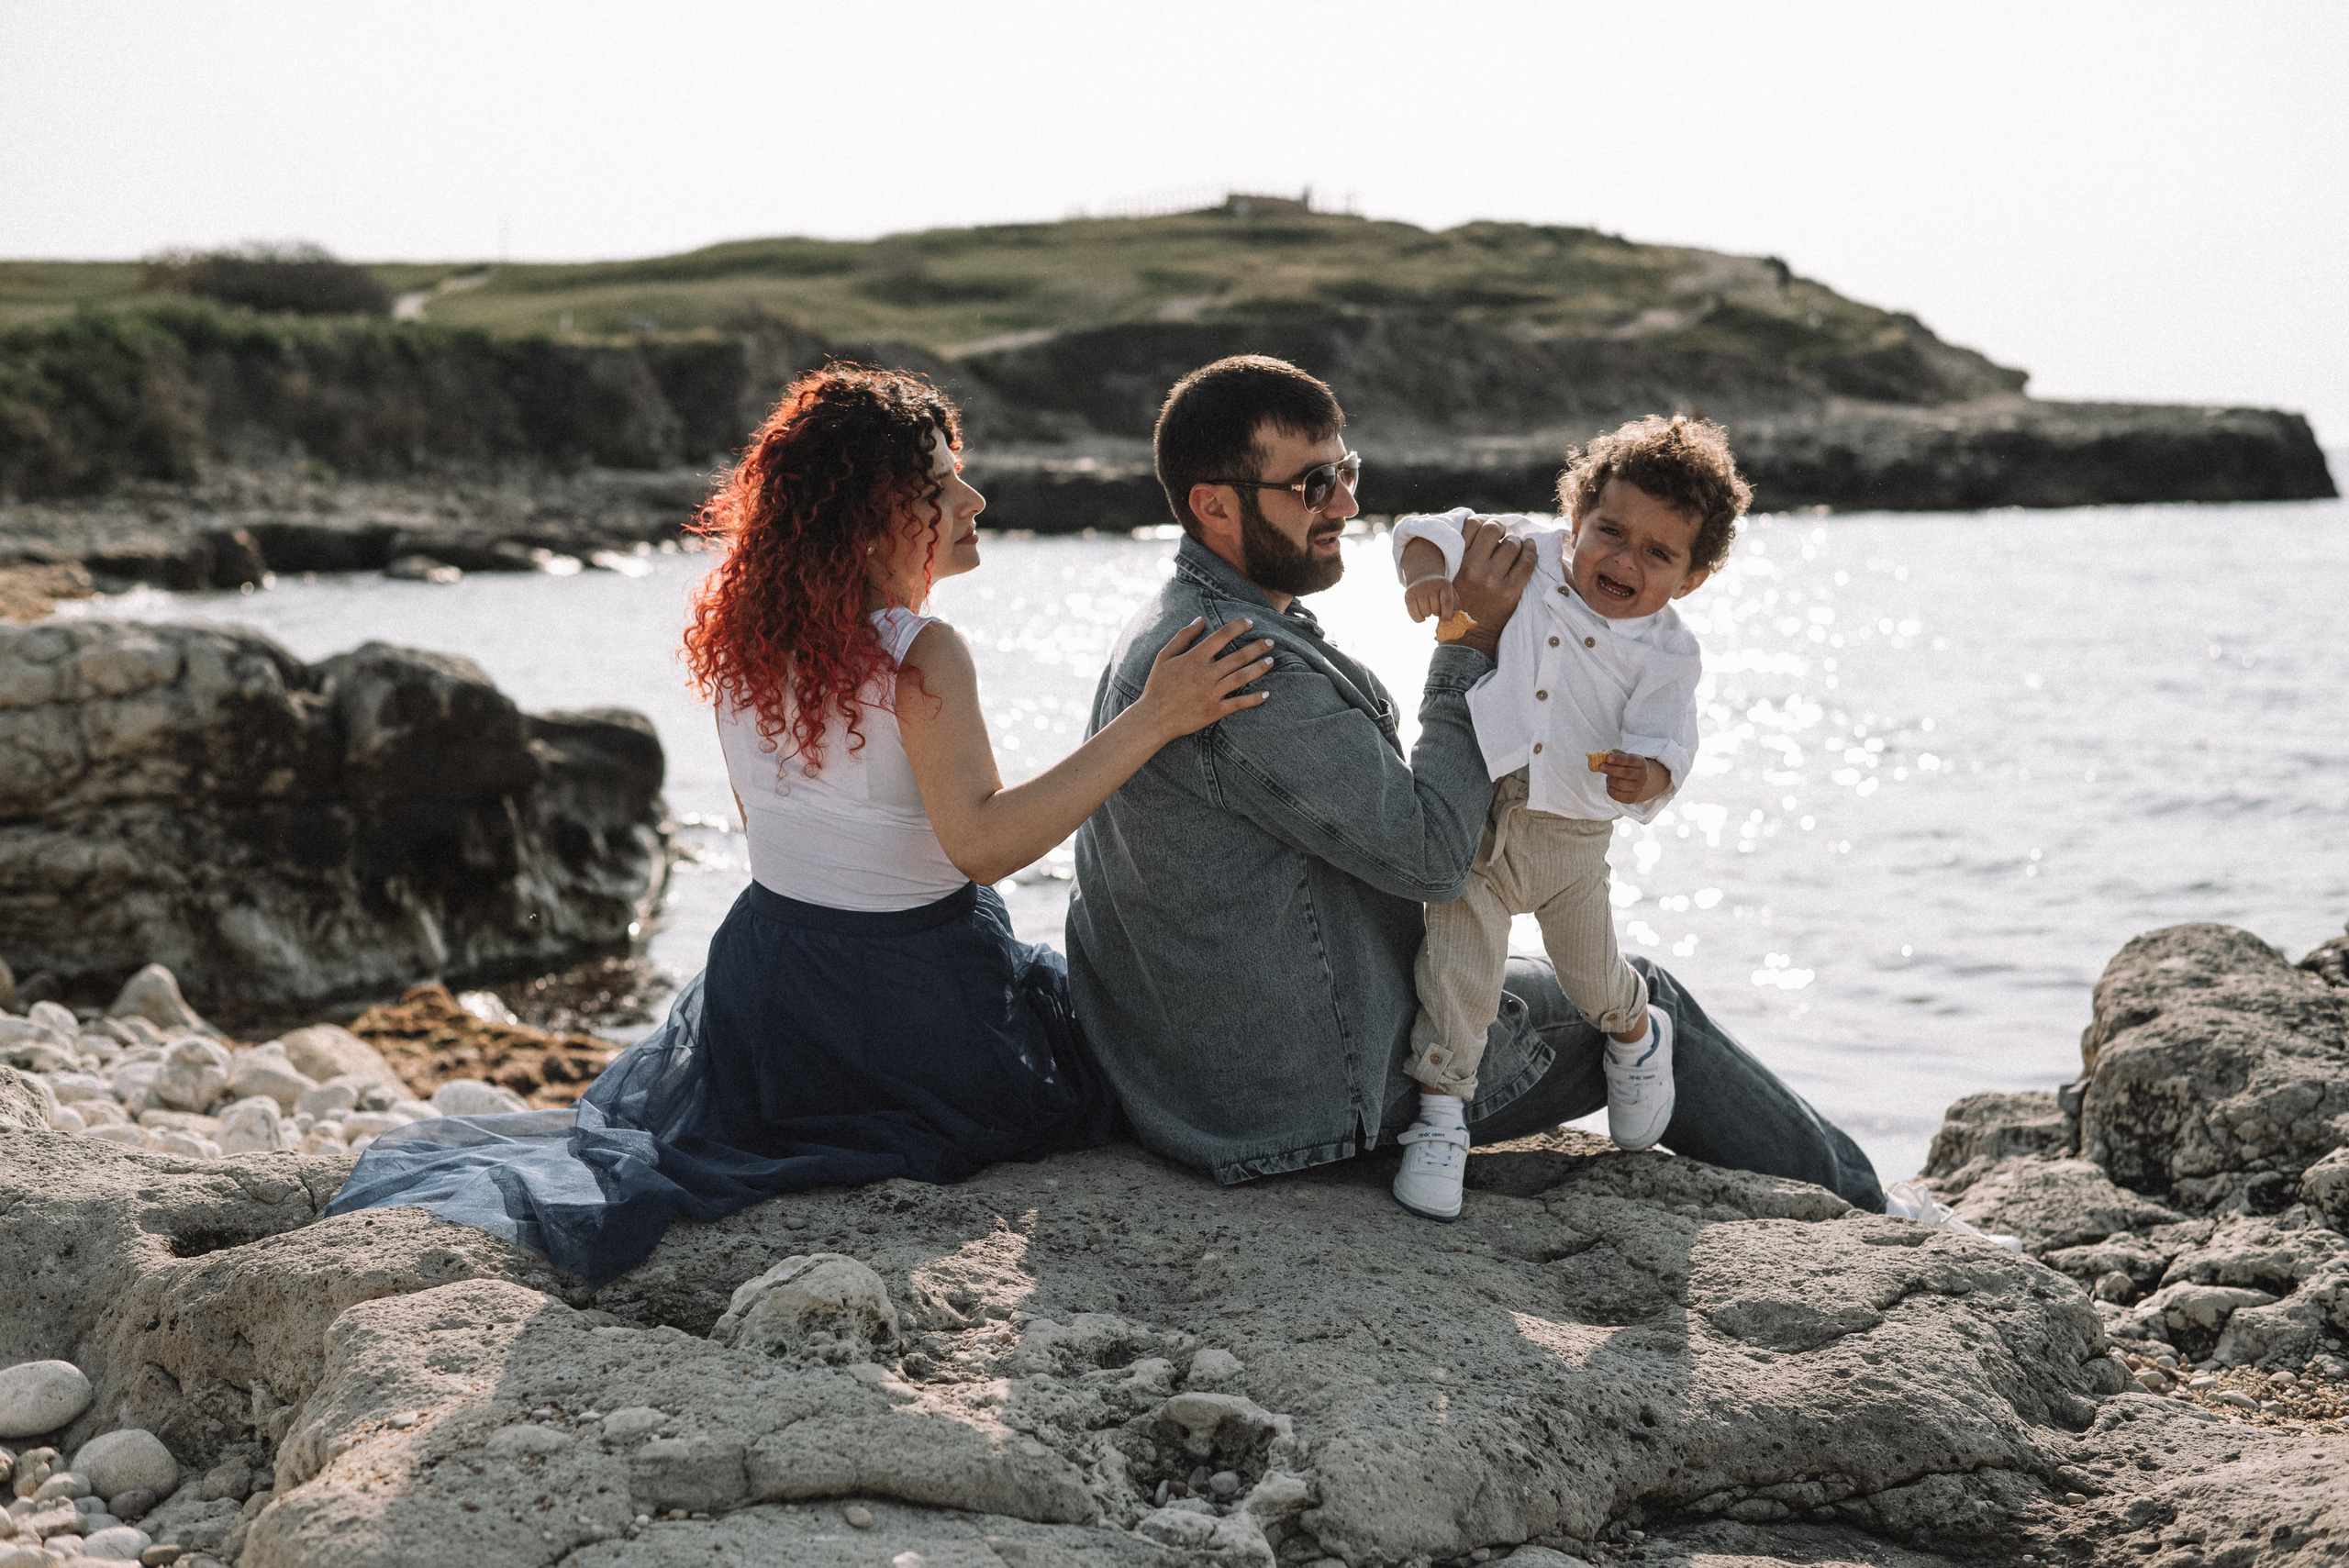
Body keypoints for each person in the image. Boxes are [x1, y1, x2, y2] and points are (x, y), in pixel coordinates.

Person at [327, 364, 1276, 1285]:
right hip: (907, 1004)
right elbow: (984, 848)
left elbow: (764, 827)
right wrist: (1155, 716)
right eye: (943, 485)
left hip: (769, 994)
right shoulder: (924, 652)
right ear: (871, 518)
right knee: (1110, 1047)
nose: (975, 499)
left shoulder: (747, 633)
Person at [1064, 355, 1885, 1219]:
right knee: (1640, 995)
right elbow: (1431, 860)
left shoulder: (1176, 622)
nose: (1345, 503)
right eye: (1312, 485)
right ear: (1215, 504)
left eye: (1344, 471)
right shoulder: (1246, 665)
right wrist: (1472, 639)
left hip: (1189, 1072)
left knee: (1527, 959)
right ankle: (1876, 1211)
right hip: (1303, 1092)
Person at [1385, 415, 1747, 1220]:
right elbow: (1423, 528)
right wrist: (1423, 577)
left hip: (1572, 838)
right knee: (1457, 971)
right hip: (1479, 814)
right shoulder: (1528, 551)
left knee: (1590, 978)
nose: (1624, 560)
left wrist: (1643, 772)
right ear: (1575, 517)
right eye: (1610, 531)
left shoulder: (1668, 652)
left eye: (1659, 553)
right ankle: (1442, 1118)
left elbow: (1670, 748)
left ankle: (1635, 1032)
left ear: (1690, 578)